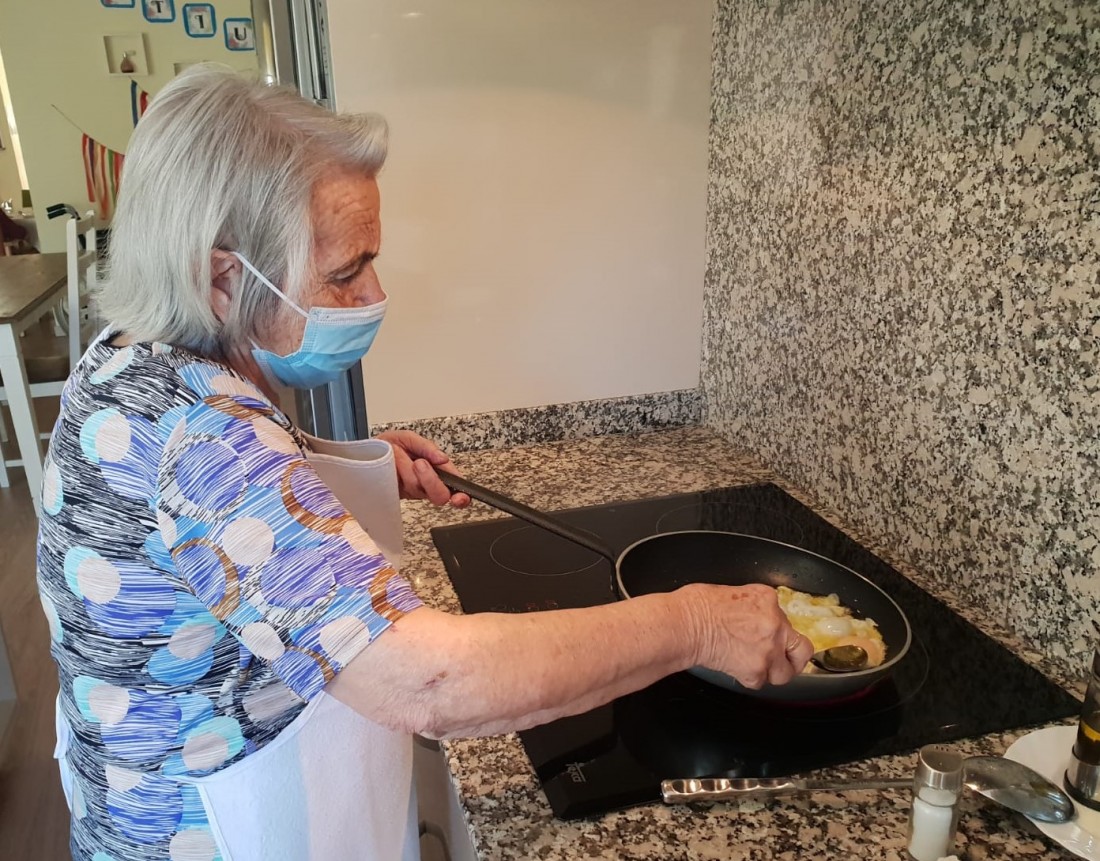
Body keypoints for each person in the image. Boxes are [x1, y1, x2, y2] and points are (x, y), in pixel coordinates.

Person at [36, 64, 813, 861]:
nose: (373, 292)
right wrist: (693, 623)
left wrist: (327, 468)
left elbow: (206, 528)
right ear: (223, 279)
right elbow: (430, 681)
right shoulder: (202, 436)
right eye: (344, 273)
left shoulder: (127, 362)